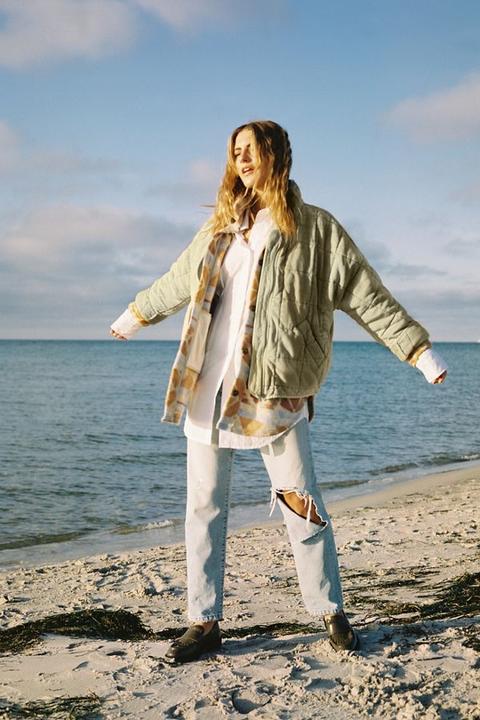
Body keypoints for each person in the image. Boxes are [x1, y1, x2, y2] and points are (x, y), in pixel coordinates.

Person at [110, 120, 448, 663]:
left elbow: (367, 295)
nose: (242, 159)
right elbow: (177, 280)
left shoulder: (315, 229)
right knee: (204, 507)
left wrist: (419, 352)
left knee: (301, 503)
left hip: (276, 389)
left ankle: (330, 610)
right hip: (208, 387)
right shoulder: (221, 227)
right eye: (235, 151)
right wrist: (134, 315)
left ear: (276, 154)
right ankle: (204, 621)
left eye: (251, 149)